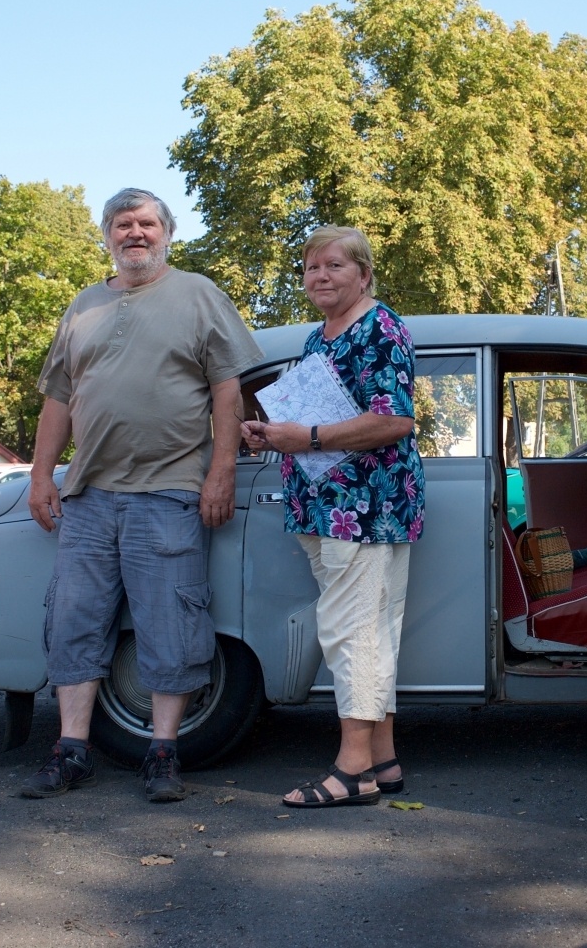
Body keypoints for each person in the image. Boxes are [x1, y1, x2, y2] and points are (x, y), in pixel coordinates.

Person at [23, 187, 262, 802]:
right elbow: (58, 398)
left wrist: (222, 471)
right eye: (123, 224)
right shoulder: (83, 305)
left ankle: (162, 753)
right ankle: (71, 750)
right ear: (107, 235)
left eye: (147, 223)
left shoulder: (199, 294)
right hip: (88, 496)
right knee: (72, 621)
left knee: (171, 624)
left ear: (167, 232)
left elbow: (228, 390)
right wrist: (42, 474)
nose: (136, 233)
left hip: (170, 490)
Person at [240, 225, 425, 808]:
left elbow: (394, 420)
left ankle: (352, 771)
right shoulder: (319, 336)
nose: (319, 276)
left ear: (363, 274)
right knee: (369, 632)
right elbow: (312, 419)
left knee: (352, 634)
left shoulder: (381, 327)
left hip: (365, 508)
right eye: (311, 267)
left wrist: (307, 437)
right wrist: (273, 434)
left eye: (334, 265)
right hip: (327, 507)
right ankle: (382, 762)